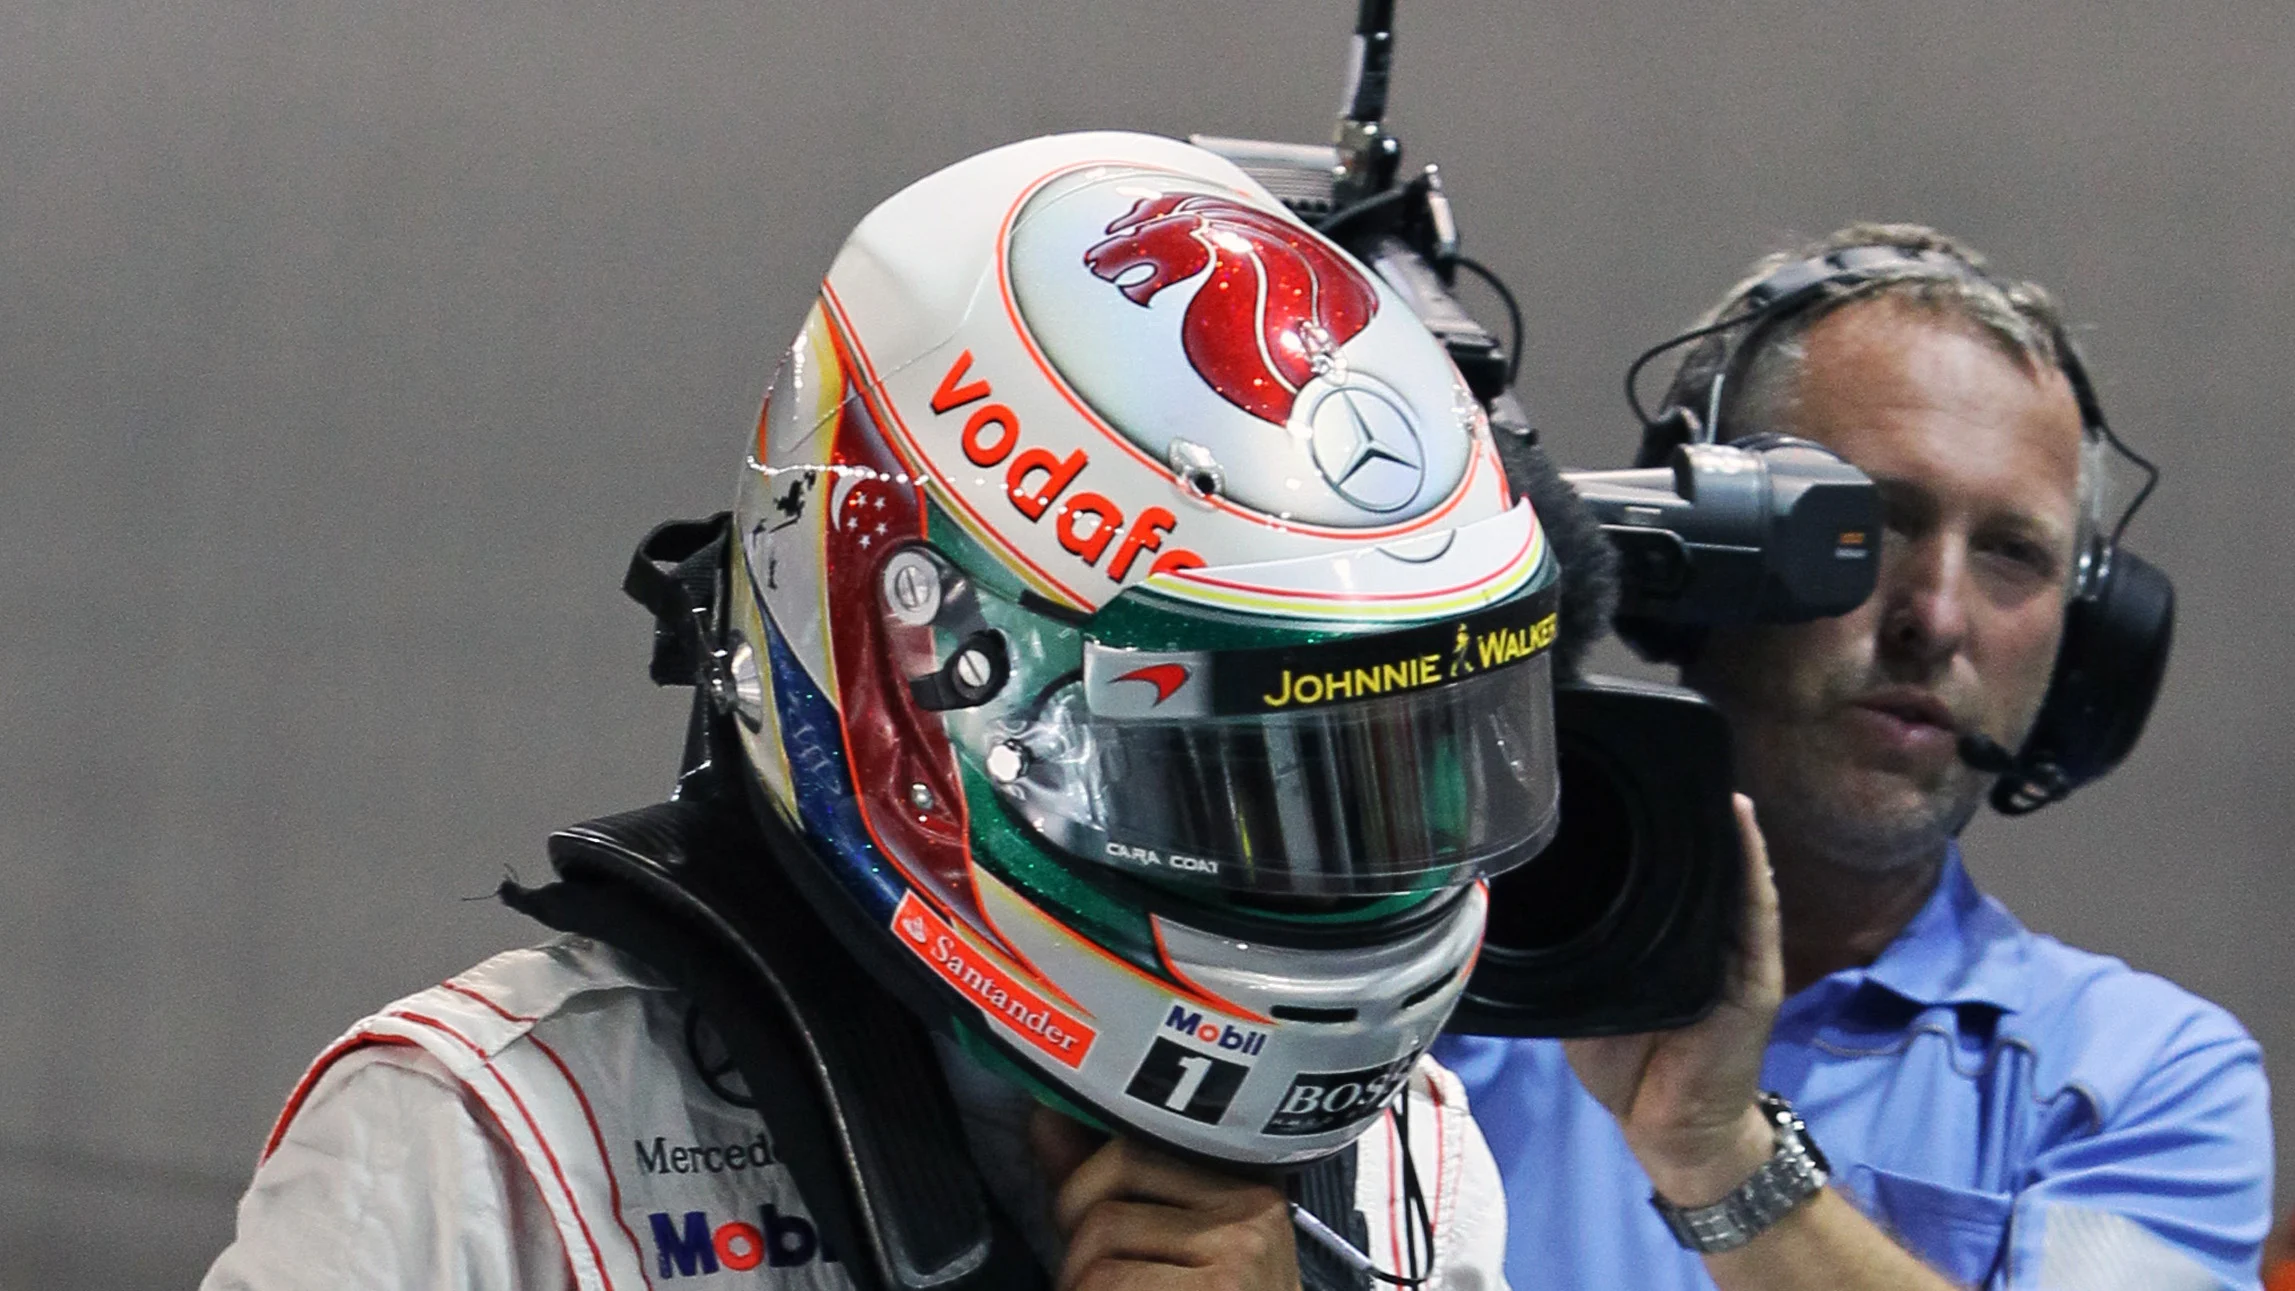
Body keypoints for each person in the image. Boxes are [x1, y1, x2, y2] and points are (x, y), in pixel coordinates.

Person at [198, 130, 1584, 1291]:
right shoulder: (481, 1152)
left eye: (1392, 763)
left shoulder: (1407, 1165)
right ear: (925, 675)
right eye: (1221, 775)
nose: (1337, 860)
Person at [1434, 223, 2273, 1291]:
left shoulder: (2142, 1077)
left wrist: (1725, 1157)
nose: (1937, 615)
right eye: (1872, 523)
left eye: (2012, 552)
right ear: (1692, 552)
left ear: (2089, 638)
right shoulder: (1409, 982)